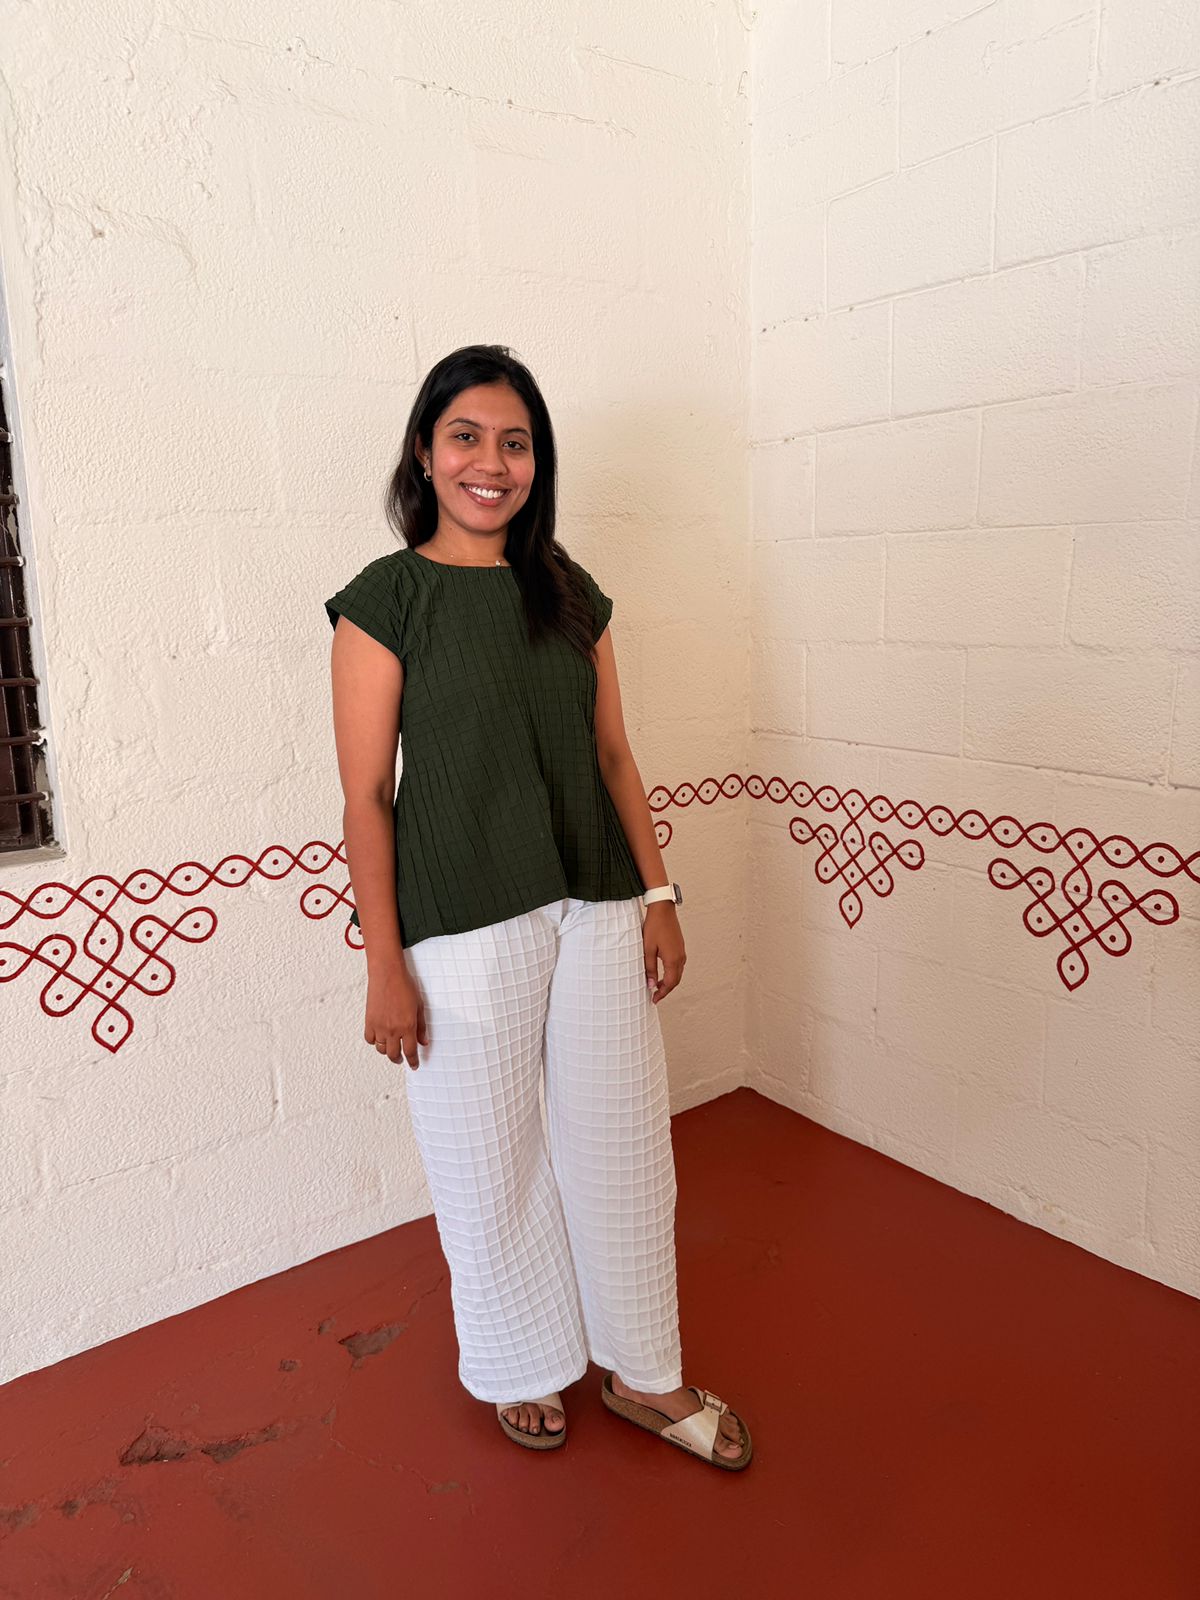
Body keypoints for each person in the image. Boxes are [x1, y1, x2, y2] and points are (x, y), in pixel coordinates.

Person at [324, 344, 751, 1470]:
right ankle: (521, 1364)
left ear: (535, 462)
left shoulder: (569, 591)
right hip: (461, 925)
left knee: (620, 1147)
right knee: (488, 1155)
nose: (491, 461)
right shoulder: (386, 602)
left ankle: (646, 1375)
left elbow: (614, 753)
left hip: (599, 905)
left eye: (516, 441)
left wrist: (659, 895)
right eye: (467, 435)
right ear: (426, 450)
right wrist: (383, 965)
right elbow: (367, 794)